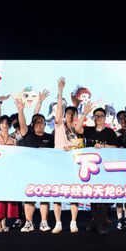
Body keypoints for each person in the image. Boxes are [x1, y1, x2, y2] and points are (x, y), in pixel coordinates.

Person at [75, 105, 119, 234]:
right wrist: (84, 113)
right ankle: (94, 221)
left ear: (105, 118)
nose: (99, 118)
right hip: (90, 168)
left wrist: (103, 146)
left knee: (102, 196)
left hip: (104, 168)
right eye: (96, 116)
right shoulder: (89, 130)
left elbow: (116, 147)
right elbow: (77, 129)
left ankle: (101, 224)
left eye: (101, 116)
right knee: (93, 195)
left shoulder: (110, 132)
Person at [16, 97, 54, 232]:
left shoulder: (51, 138)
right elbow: (22, 123)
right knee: (29, 197)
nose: (39, 124)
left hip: (45, 171)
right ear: (32, 124)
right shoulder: (27, 134)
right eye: (36, 122)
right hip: (29, 171)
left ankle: (44, 222)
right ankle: (29, 222)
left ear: (45, 124)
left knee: (44, 197)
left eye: (41, 122)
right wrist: (21, 110)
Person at [52, 77, 82, 234]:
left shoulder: (79, 130)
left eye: (72, 113)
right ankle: (58, 223)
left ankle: (73, 222)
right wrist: (60, 91)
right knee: (57, 194)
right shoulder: (59, 126)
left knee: (74, 194)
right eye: (67, 113)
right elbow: (59, 110)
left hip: (73, 165)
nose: (69, 115)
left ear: (76, 116)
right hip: (58, 165)